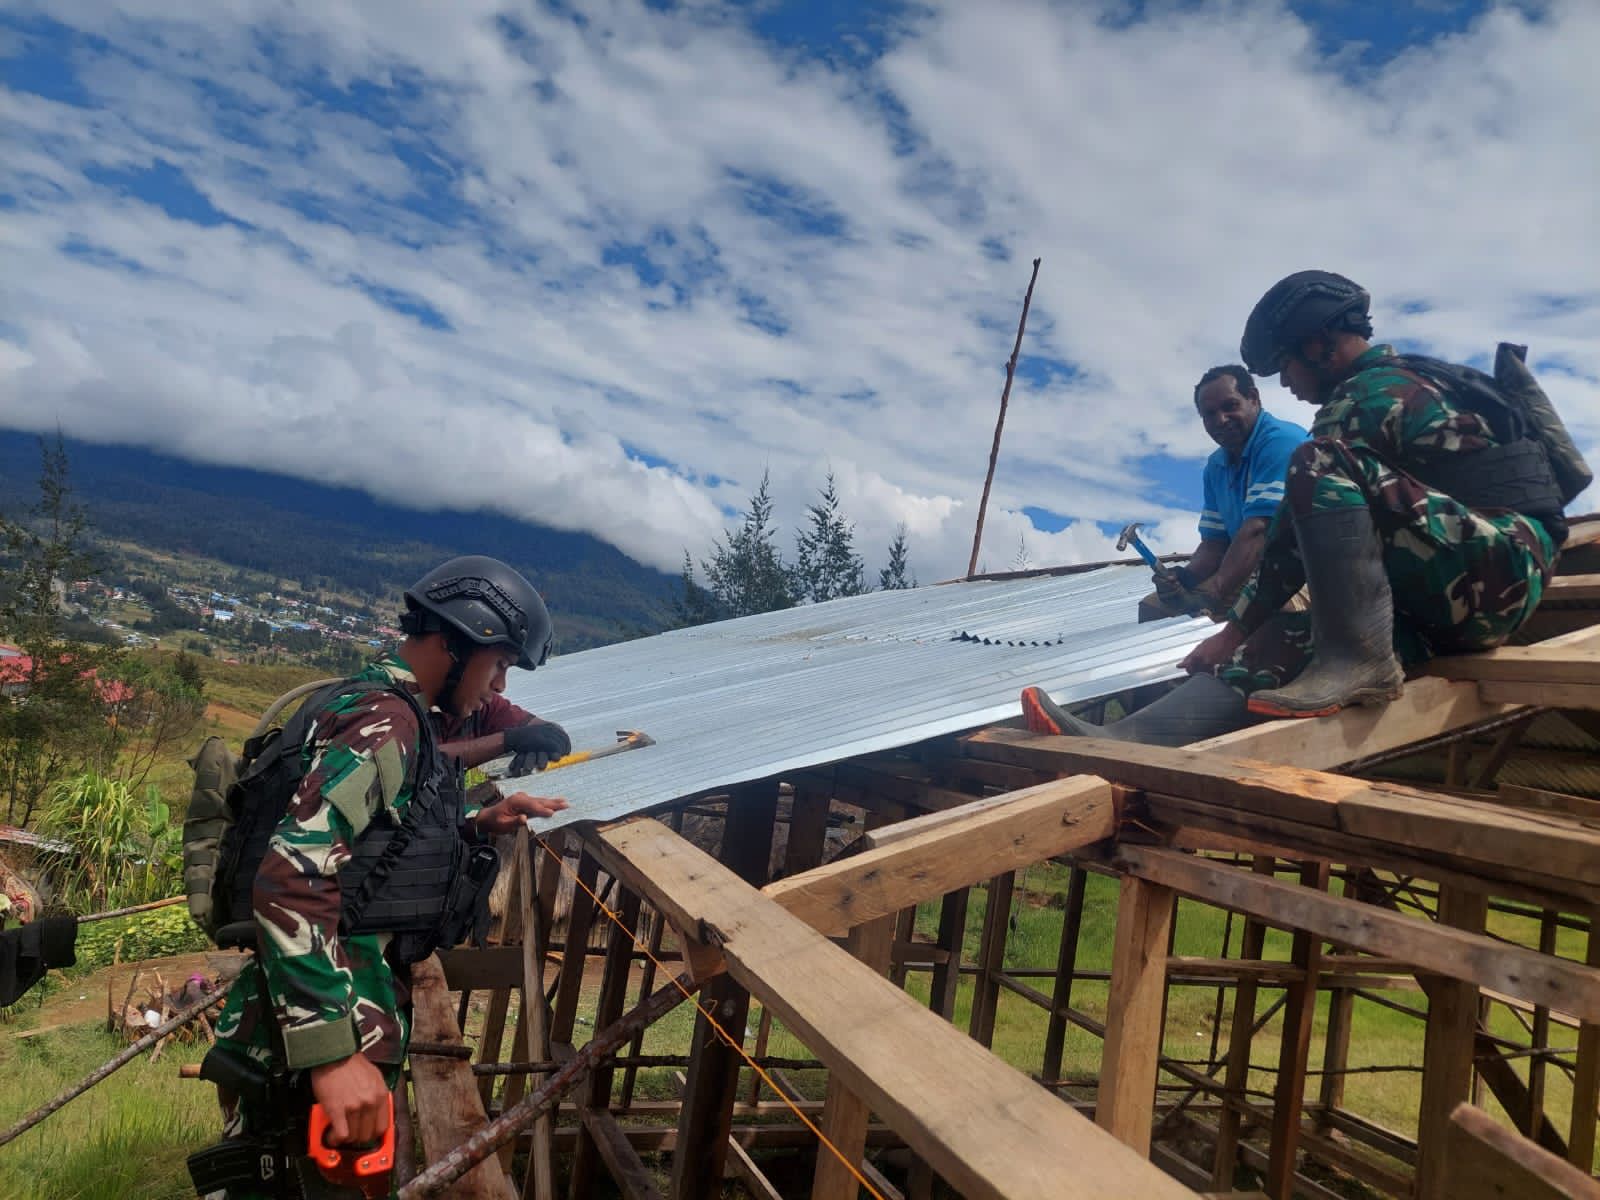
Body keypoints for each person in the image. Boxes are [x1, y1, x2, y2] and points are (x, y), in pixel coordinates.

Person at [1022, 269, 1566, 742]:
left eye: (1284, 365)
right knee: (1277, 641)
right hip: (1470, 587)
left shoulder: (1369, 396)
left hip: (1493, 573)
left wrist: (1229, 626)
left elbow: (1282, 539)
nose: (1286, 381)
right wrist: (1239, 637)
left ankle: (1359, 662)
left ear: (1321, 345)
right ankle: (1129, 739)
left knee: (1317, 464)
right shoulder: (1401, 383)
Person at [201, 555, 569, 1191]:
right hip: (320, 1034)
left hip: (312, 1021)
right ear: (457, 642)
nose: (501, 686)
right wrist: (334, 1055)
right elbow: (291, 873)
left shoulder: (384, 710)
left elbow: (373, 850)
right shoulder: (387, 723)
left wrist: (476, 824)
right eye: (500, 663)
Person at [1138, 366, 1306, 622]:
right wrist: (1183, 578)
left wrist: (1212, 593)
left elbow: (1258, 530)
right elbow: (1214, 544)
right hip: (1255, 572)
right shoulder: (1216, 466)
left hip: (1311, 571)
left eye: (1230, 406)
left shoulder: (1281, 442)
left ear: (1253, 398)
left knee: (1265, 615)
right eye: (1209, 414)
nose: (1221, 419)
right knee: (1155, 609)